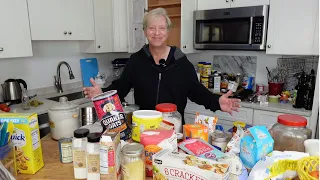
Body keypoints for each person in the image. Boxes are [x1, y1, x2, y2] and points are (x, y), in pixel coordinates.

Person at [83, 8, 240, 124]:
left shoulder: (181, 62)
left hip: (173, 127)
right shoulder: (136, 61)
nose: (156, 33)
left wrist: (216, 102)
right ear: (145, 31)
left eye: (161, 28)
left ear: (168, 31)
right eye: (151, 28)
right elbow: (121, 88)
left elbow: (196, 91)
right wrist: (102, 93)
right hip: (144, 127)